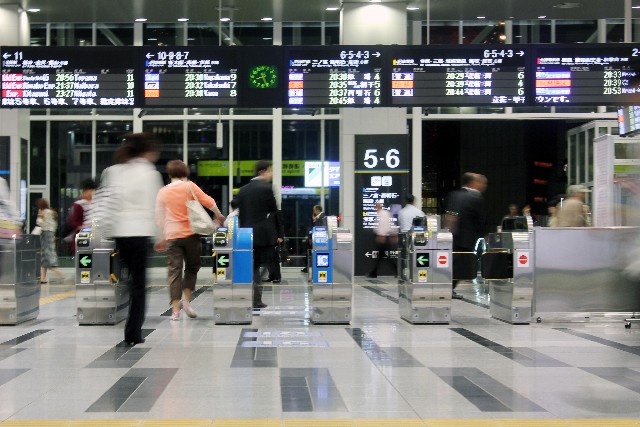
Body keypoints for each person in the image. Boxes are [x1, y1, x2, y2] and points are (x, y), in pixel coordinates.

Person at [100, 133, 163, 346]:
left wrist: (105, 231)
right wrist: (161, 235)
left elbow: (108, 202)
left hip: (120, 234)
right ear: (147, 151)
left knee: (128, 280)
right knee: (139, 284)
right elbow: (155, 207)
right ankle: (133, 332)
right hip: (140, 233)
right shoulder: (149, 173)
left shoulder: (114, 172)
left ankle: (129, 323)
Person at [155, 160, 225, 321]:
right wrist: (219, 214)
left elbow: (159, 218)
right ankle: (187, 301)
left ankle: (175, 311)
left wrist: (160, 238)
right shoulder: (189, 186)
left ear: (169, 174)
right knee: (192, 267)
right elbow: (209, 201)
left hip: (172, 236)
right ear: (185, 172)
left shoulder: (163, 192)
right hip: (191, 234)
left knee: (174, 272)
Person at [237, 160, 278, 309]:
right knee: (267, 263)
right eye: (270, 171)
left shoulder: (243, 190)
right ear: (262, 171)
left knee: (252, 266)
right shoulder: (266, 188)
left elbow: (241, 215)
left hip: (246, 235)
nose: (270, 175)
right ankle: (256, 298)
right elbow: (273, 208)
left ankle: (250, 295)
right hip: (262, 236)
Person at [444, 172, 487, 299]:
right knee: (460, 267)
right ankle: (449, 289)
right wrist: (484, 234)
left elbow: (449, 215)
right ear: (473, 183)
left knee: (452, 265)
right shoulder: (475, 198)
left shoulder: (454, 195)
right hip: (465, 239)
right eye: (482, 183)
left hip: (451, 237)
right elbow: (481, 220)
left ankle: (447, 288)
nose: (483, 185)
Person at [366, 200, 398, 278]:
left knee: (383, 257)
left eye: (376, 206)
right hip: (384, 237)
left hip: (383, 237)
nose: (375, 208)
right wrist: (394, 234)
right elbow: (390, 224)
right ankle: (374, 273)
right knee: (381, 257)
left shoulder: (382, 214)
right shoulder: (385, 213)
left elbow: (384, 226)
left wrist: (382, 235)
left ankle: (374, 273)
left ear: (378, 207)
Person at [36, 198, 64, 284]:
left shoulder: (43, 212)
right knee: (46, 253)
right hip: (51, 233)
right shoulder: (51, 212)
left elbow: (39, 222)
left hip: (45, 233)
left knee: (46, 253)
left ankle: (58, 272)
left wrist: (40, 215)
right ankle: (43, 278)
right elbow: (54, 224)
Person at [66, 178, 96, 253]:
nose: (93, 193)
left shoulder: (96, 203)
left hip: (94, 238)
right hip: (83, 238)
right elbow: (73, 222)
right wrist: (85, 227)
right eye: (91, 191)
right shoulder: (79, 205)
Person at [267, 209, 284, 283]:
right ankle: (271, 276)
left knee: (275, 259)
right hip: (266, 239)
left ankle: (277, 277)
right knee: (268, 259)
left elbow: (280, 225)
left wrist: (280, 236)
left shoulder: (277, 212)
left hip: (274, 239)